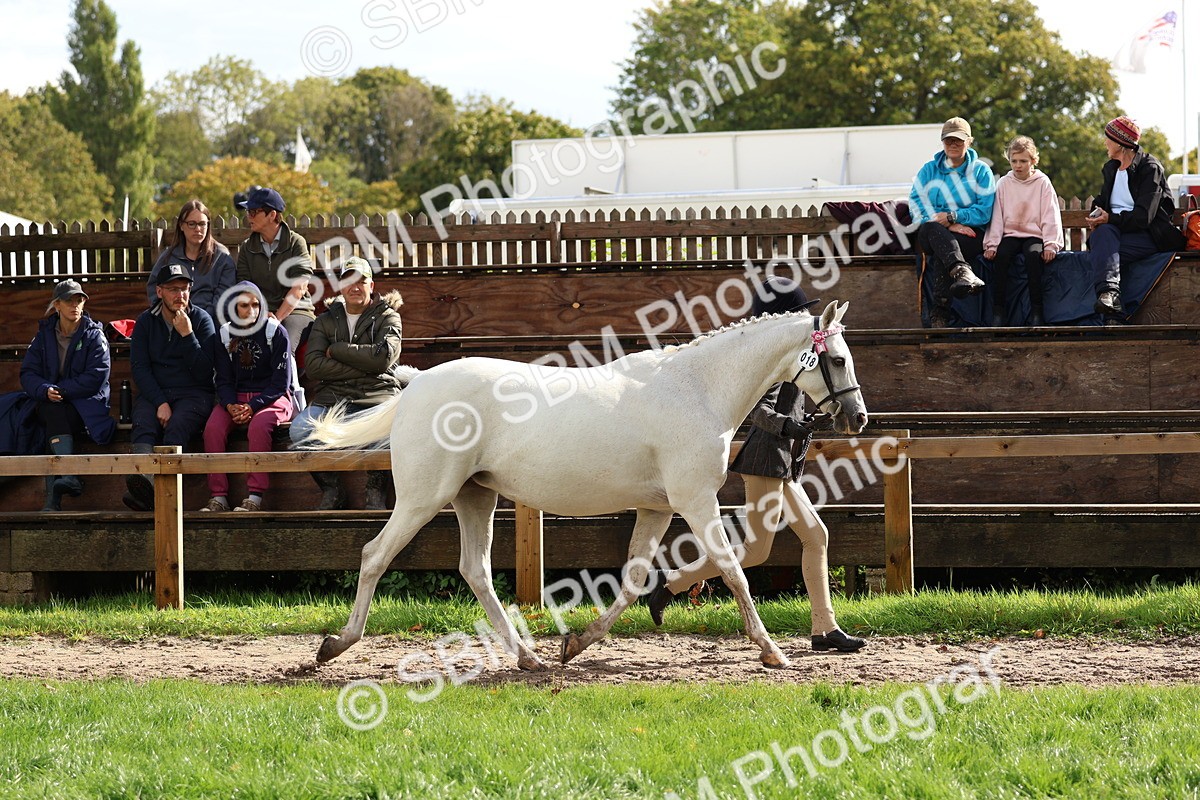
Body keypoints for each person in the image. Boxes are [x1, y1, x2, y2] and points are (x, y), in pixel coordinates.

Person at [646, 277, 866, 653]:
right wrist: (787, 425)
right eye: (800, 313)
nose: (805, 320)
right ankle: (669, 583)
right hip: (766, 460)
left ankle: (824, 629)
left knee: (816, 537)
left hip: (782, 463)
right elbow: (761, 411)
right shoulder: (769, 360)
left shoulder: (794, 356)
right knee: (756, 550)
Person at [289, 257, 404, 510]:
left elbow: (382, 360)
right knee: (299, 431)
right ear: (340, 286)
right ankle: (333, 490)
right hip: (334, 398)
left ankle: (375, 492)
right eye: (349, 281)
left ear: (371, 285)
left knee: (388, 430)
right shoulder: (325, 320)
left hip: (376, 397)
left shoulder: (388, 317)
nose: (355, 287)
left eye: (361, 281)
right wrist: (364, 364)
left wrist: (338, 349)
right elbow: (314, 366)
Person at [124, 264, 216, 512]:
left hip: (194, 393)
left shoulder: (201, 319)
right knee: (144, 421)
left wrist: (188, 336)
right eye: (173, 289)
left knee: (177, 426)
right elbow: (140, 368)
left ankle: (158, 495)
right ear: (159, 291)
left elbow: (206, 373)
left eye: (184, 289)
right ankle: (142, 481)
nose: (180, 295)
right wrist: (160, 402)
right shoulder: (145, 322)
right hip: (158, 392)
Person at [19, 280, 115, 511]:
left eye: (79, 300)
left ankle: (54, 499)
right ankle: (67, 477)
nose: (75, 305)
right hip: (51, 401)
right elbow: (28, 372)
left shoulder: (94, 335)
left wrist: (61, 391)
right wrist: (45, 390)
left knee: (53, 418)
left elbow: (96, 377)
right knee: (51, 413)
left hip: (86, 405)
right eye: (69, 301)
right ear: (57, 305)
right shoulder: (43, 335)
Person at [200, 282, 295, 513]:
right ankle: (218, 497)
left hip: (273, 397)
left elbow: (280, 383)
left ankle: (255, 497)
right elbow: (222, 379)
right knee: (212, 428)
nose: (251, 310)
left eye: (255, 304)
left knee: (259, 426)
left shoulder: (275, 332)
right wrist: (230, 404)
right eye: (244, 306)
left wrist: (253, 406)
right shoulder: (223, 335)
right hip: (236, 398)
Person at [1086, 116, 1187, 316]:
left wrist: (1109, 219)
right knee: (1103, 241)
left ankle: (1111, 304)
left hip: (1150, 235)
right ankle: (1110, 299)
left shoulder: (1150, 168)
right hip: (1117, 234)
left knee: (1103, 253)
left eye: (1108, 138)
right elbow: (1104, 199)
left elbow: (1144, 218)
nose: (1105, 142)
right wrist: (1097, 213)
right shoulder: (1111, 168)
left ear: (1120, 143)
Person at [909, 117, 997, 327]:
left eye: (959, 140)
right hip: (932, 229)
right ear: (942, 143)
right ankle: (962, 271)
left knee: (944, 250)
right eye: (948, 141)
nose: (953, 145)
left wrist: (953, 217)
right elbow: (915, 204)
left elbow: (984, 210)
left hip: (971, 234)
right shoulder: (929, 170)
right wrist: (948, 223)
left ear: (969, 141)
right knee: (932, 230)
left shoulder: (981, 171)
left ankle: (940, 314)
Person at [982, 136, 1064, 326]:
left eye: (1023, 161)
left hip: (1033, 235)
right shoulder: (1003, 183)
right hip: (1011, 234)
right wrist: (992, 244)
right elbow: (997, 217)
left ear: (1033, 161)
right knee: (1001, 257)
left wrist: (1051, 244)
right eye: (1014, 161)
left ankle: (1037, 311)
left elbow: (1050, 214)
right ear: (1009, 160)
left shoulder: (1042, 182)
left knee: (1033, 256)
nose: (1018, 165)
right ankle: (998, 311)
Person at [234, 187, 316, 354]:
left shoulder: (296, 243)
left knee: (282, 344)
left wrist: (276, 318)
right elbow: (244, 287)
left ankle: (287, 381)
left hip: (297, 310)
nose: (248, 216)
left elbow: (299, 288)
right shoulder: (246, 247)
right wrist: (259, 314)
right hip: (259, 310)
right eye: (248, 212)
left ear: (272, 215)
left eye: (253, 212)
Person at [145, 199, 237, 321]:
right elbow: (154, 289)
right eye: (192, 224)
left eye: (202, 224)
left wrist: (200, 319)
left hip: (211, 323)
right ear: (182, 225)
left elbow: (225, 297)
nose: (198, 229)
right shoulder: (168, 257)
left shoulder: (222, 257)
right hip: (174, 321)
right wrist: (171, 317)